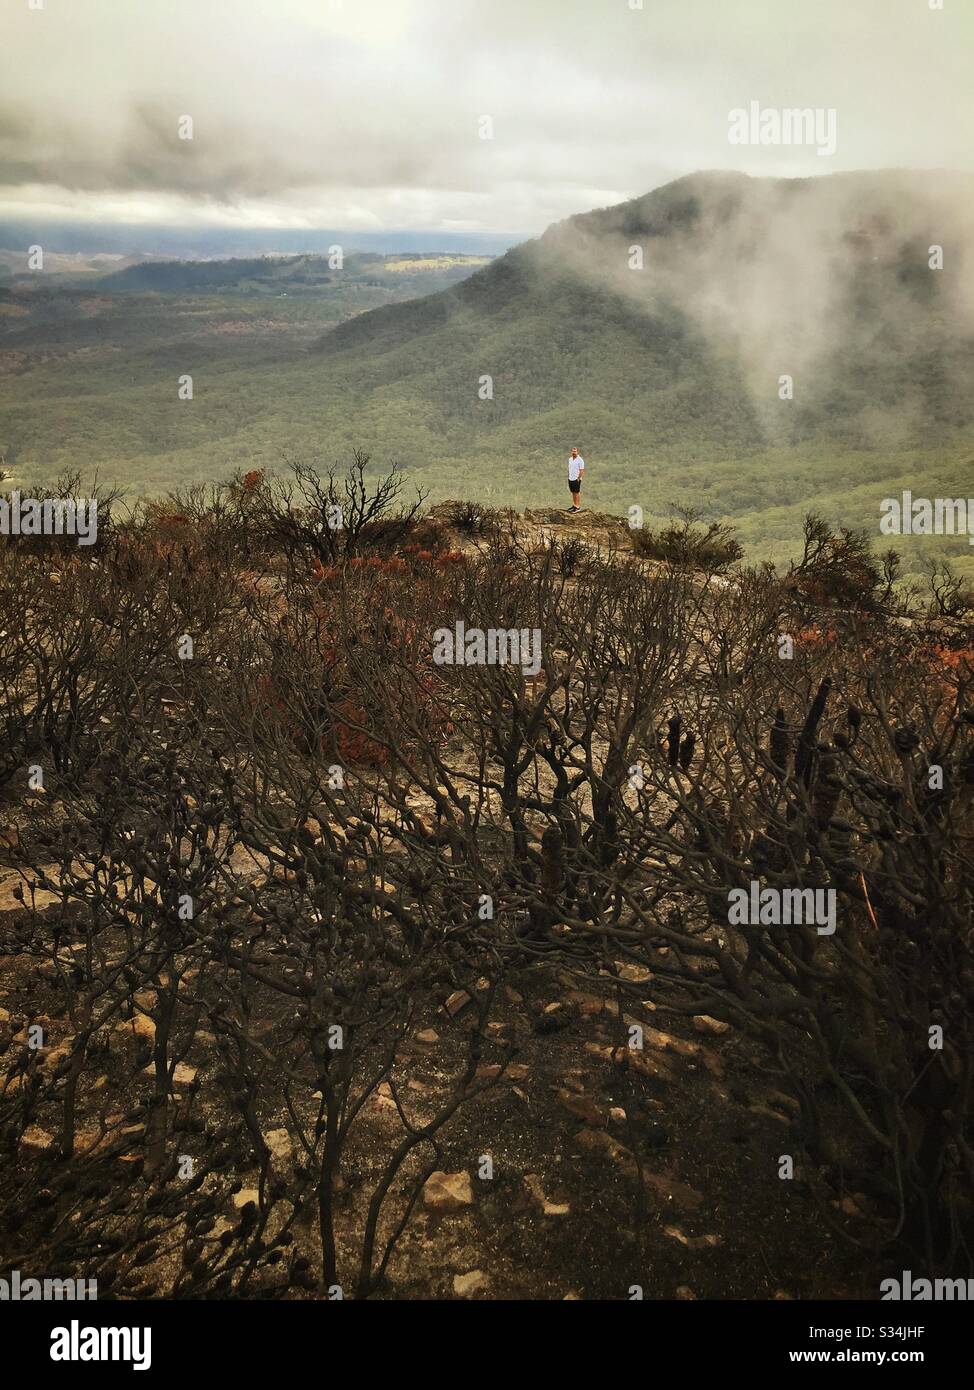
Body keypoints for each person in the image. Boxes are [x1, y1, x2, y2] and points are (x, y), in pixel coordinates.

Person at [567, 446, 585, 511]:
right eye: (573, 451)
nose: (574, 452)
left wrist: (578, 478)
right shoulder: (570, 459)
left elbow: (582, 470)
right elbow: (569, 468)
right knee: (573, 492)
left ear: (577, 452)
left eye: (575, 451)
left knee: (577, 492)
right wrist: (568, 476)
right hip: (570, 478)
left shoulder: (580, 460)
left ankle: (577, 507)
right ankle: (574, 505)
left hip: (576, 479)